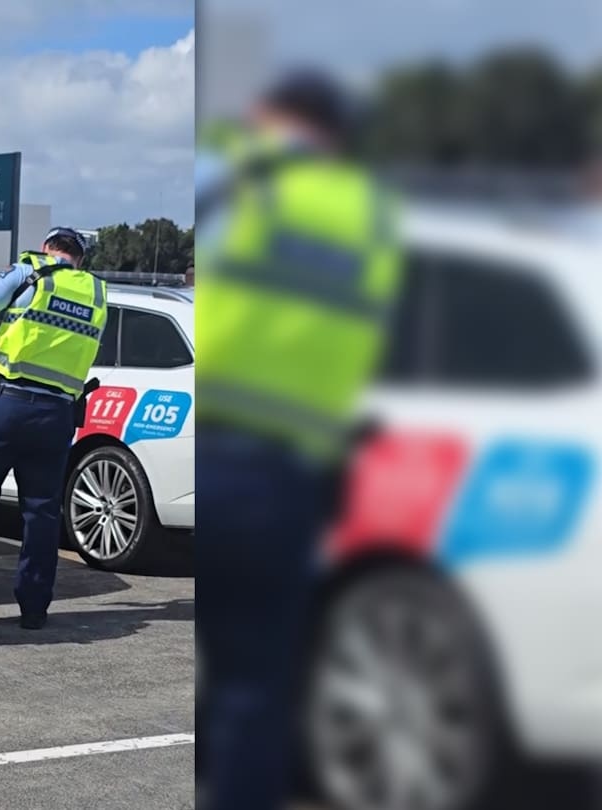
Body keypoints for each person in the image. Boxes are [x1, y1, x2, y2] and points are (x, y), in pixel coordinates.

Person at [193, 68, 402, 810]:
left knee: (225, 675)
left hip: (221, 457)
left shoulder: (241, 176)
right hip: (300, 474)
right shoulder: (371, 215)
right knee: (263, 679)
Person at [0, 227, 105, 630]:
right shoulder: (97, 293)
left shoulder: (28, 271)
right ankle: (34, 608)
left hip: (6, 405)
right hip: (57, 413)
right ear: (78, 258)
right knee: (41, 513)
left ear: (48, 249)